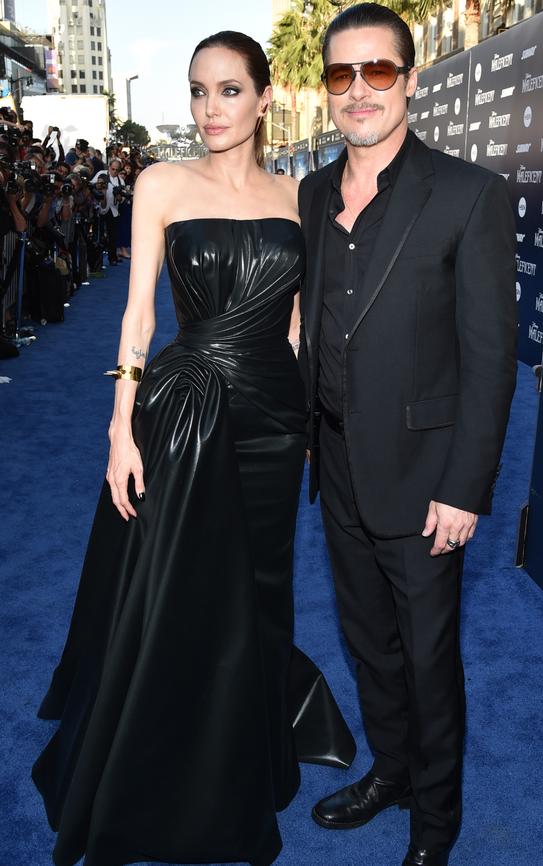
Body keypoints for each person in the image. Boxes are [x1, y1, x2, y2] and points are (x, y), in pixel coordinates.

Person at [32, 30, 353, 866]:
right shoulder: (161, 181)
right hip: (186, 410)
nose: (211, 109)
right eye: (199, 91)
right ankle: (162, 768)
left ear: (265, 97)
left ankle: (247, 758)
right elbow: (138, 314)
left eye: (229, 91)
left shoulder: (297, 196)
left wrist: (310, 427)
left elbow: (291, 324)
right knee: (178, 586)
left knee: (261, 587)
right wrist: (118, 424)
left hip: (275, 422)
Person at [298, 5, 518, 866]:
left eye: (378, 72)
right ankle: (389, 771)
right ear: (327, 90)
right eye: (342, 76)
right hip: (338, 467)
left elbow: (491, 358)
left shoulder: (469, 194)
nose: (360, 92)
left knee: (429, 658)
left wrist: (465, 487)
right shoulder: (313, 194)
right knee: (366, 641)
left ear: (411, 80)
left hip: (428, 477)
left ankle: (437, 822)